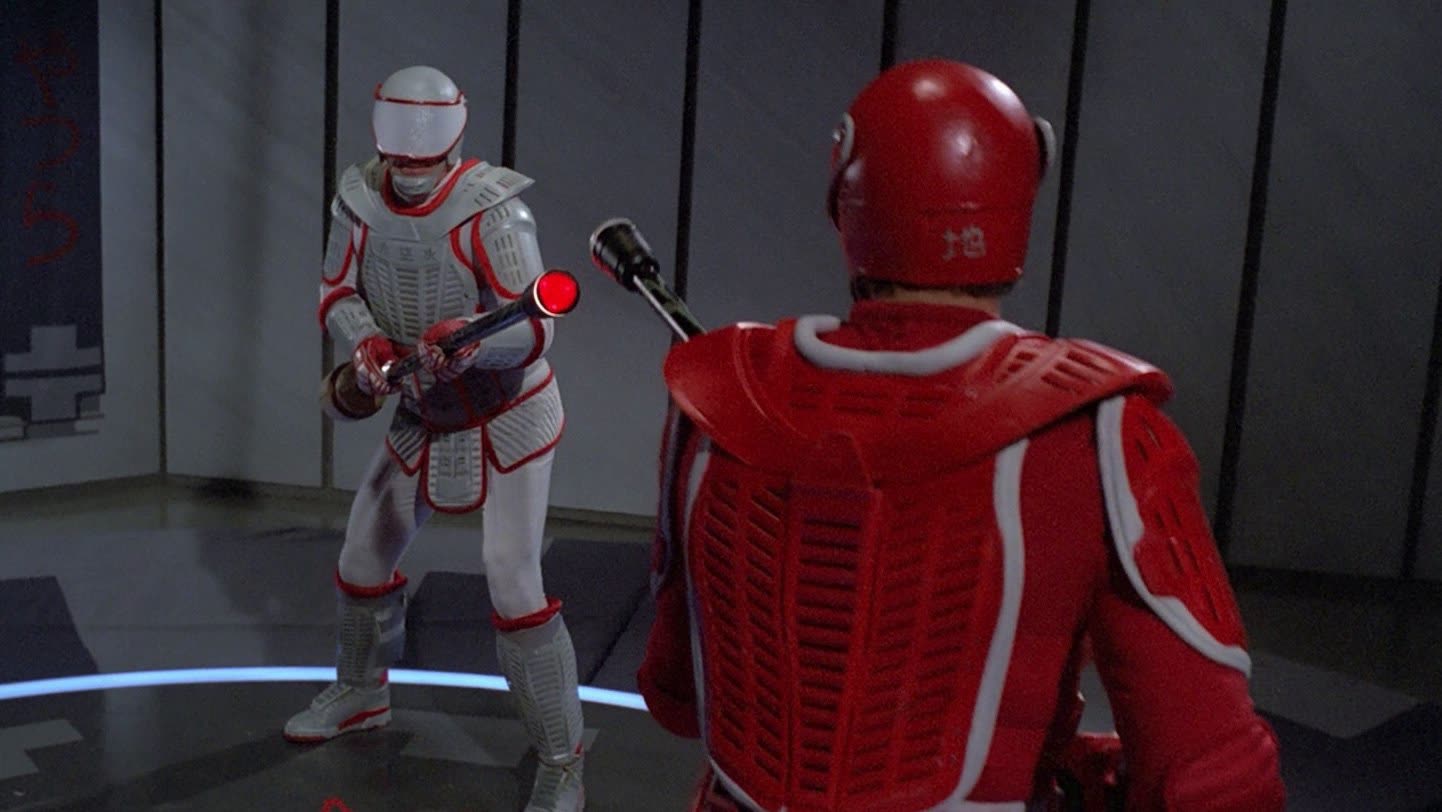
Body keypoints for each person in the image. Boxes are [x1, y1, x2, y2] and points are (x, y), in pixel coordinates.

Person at [638, 59, 1284, 811]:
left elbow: (676, 695)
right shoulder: (1102, 432)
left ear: (847, 202)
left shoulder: (714, 403)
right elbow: (1213, 776)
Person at [296, 65, 583, 812]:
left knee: (512, 576)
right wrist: (366, 343)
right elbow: (336, 291)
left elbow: (535, 327)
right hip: (420, 404)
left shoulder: (495, 212)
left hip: (506, 408)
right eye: (401, 160)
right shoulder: (357, 201)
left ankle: (562, 757)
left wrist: (476, 342)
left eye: (424, 160)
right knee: (362, 555)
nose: (413, 173)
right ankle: (361, 692)